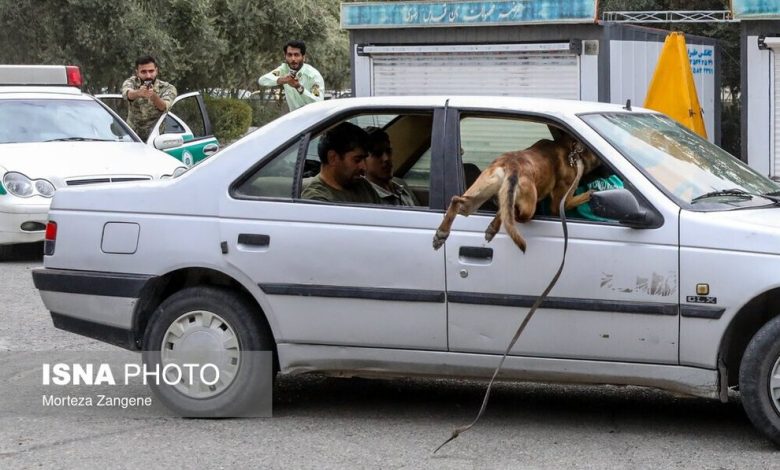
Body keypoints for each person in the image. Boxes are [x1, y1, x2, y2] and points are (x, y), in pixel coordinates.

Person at [301, 122, 381, 204]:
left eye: (364, 159)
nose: (364, 167)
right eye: (357, 160)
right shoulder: (315, 200)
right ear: (333, 158)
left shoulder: (363, 186)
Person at [120, 55, 177, 142]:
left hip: (156, 140)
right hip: (132, 138)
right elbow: (127, 94)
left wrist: (153, 96)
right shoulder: (131, 82)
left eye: (151, 71)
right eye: (143, 72)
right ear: (137, 72)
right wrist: (138, 93)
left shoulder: (167, 88)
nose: (148, 76)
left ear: (156, 71)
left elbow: (164, 106)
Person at [258, 40, 325, 112]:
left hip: (313, 119)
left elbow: (318, 103)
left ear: (303, 57)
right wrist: (283, 80)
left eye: (296, 55)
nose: (293, 59)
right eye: (289, 55)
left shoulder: (313, 76)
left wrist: (298, 87)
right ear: (285, 56)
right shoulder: (283, 70)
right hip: (294, 118)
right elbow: (262, 80)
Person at [364, 128, 418, 206]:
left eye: (388, 151)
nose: (386, 158)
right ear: (362, 160)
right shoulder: (367, 199)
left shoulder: (401, 186)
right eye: (377, 154)